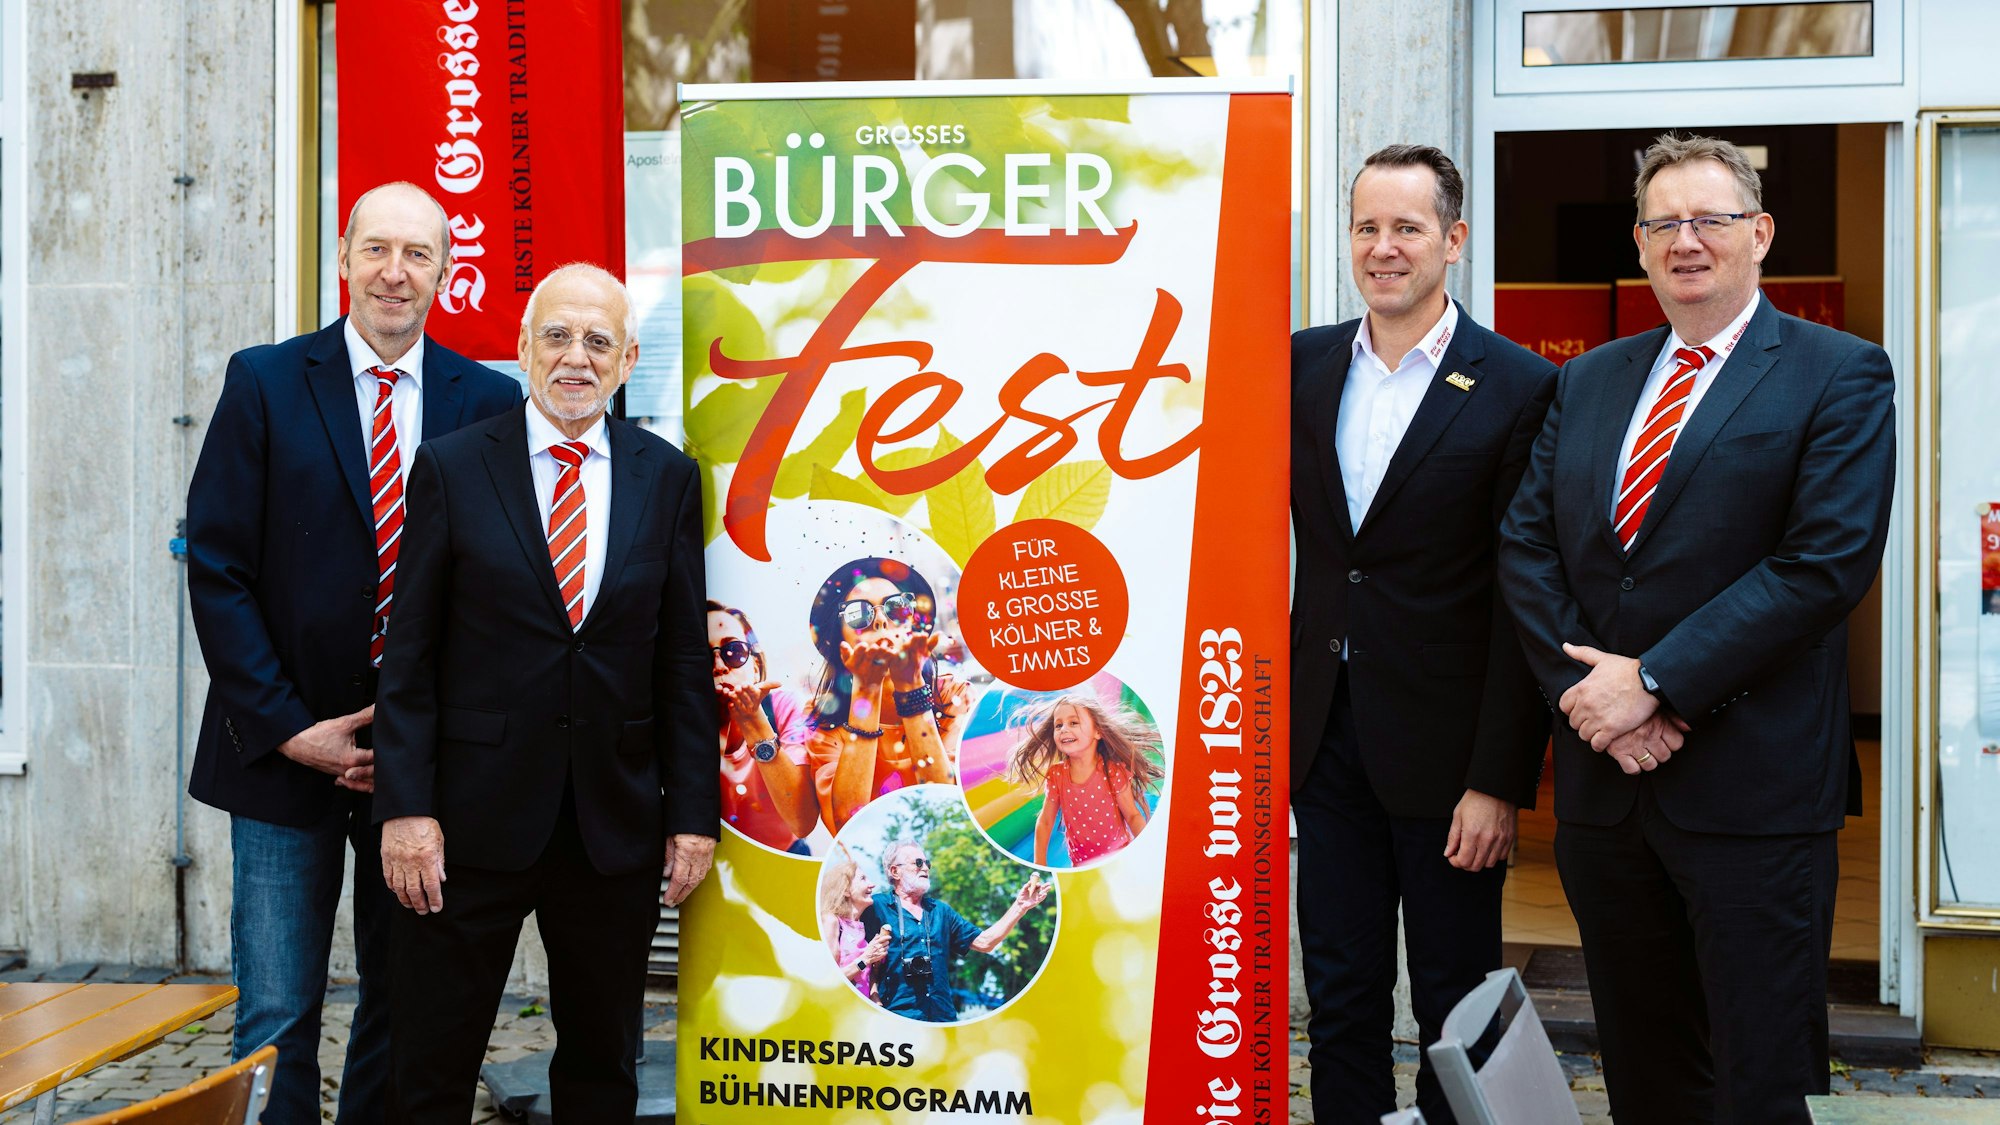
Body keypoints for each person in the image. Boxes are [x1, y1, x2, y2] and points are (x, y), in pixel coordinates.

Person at [1498, 134, 1895, 1125]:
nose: (1686, 240)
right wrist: (1592, 701)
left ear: (1757, 233)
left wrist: (1657, 681)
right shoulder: (1588, 380)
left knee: (1755, 1081)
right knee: (1643, 1072)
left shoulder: (1836, 374)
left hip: (1751, 797)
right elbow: (1525, 546)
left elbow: (1820, 565)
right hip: (1605, 798)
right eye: (1662, 222)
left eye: (1709, 219)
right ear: (1637, 243)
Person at [184, 181, 522, 1125]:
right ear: (343, 259)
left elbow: (498, 593)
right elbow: (217, 569)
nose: (394, 271)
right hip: (282, 756)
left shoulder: (488, 399)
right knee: (277, 1011)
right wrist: (291, 729)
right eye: (377, 249)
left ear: (447, 273)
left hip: (417, 771)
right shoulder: (263, 380)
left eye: (418, 254)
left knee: (403, 1003)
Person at [371, 263, 719, 1122]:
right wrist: (404, 811)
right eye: (557, 335)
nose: (575, 357)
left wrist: (691, 814)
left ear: (629, 357)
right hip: (467, 828)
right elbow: (408, 658)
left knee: (603, 1071)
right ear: (523, 347)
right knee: (432, 1065)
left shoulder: (666, 477)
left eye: (598, 340)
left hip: (612, 828)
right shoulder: (451, 468)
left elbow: (680, 660)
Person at [1288, 144, 1557, 1125]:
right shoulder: (1299, 365)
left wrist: (1497, 779)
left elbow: (1522, 599)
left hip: (1451, 762)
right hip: (1324, 741)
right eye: (1366, 227)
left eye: (1405, 228)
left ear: (1451, 240)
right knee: (1341, 995)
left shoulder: (1519, 386)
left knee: (1452, 1003)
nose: (1382, 248)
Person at [805, 558, 972, 831]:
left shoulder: (953, 694)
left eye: (896, 607)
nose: (882, 620)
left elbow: (947, 811)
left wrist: (911, 687)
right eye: (859, 613)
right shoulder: (822, 718)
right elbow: (847, 823)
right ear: (839, 640)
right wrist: (867, 691)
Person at [859, 839, 1050, 1023]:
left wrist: (1020, 906)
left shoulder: (941, 911)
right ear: (895, 871)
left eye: (927, 863)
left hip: (942, 1020)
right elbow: (850, 952)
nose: (925, 867)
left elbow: (985, 943)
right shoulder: (875, 907)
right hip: (896, 1019)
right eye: (918, 862)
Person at [710, 600, 820, 853]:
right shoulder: (682, 720)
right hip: (715, 862)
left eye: (734, 652)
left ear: (756, 666)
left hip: (784, 855)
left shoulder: (784, 707)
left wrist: (753, 722)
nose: (718, 667)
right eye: (701, 656)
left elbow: (802, 820)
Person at [1006, 694, 1163, 867]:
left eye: (1073, 722)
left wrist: (1147, 851)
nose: (1063, 729)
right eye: (1058, 725)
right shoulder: (1057, 775)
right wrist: (1039, 864)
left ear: (1098, 732)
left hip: (1118, 857)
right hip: (1081, 866)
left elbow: (1133, 816)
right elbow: (1045, 821)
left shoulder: (1112, 772)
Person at [819, 846, 891, 999]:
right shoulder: (831, 921)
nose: (872, 885)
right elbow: (827, 978)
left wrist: (875, 998)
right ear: (845, 890)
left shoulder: (861, 927)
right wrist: (866, 957)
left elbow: (865, 976)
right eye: (863, 879)